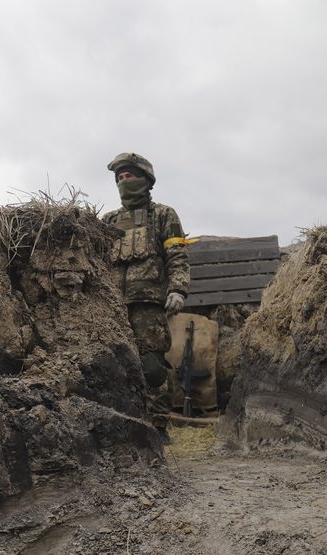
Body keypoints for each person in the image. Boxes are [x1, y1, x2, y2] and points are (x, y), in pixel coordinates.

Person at [101, 153, 191, 444]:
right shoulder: (108, 221)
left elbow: (177, 257)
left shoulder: (164, 215)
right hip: (112, 306)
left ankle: (157, 428)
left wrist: (178, 289)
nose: (124, 182)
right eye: (120, 178)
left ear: (146, 180)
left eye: (130, 176)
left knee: (151, 368)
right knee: (112, 367)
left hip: (148, 304)